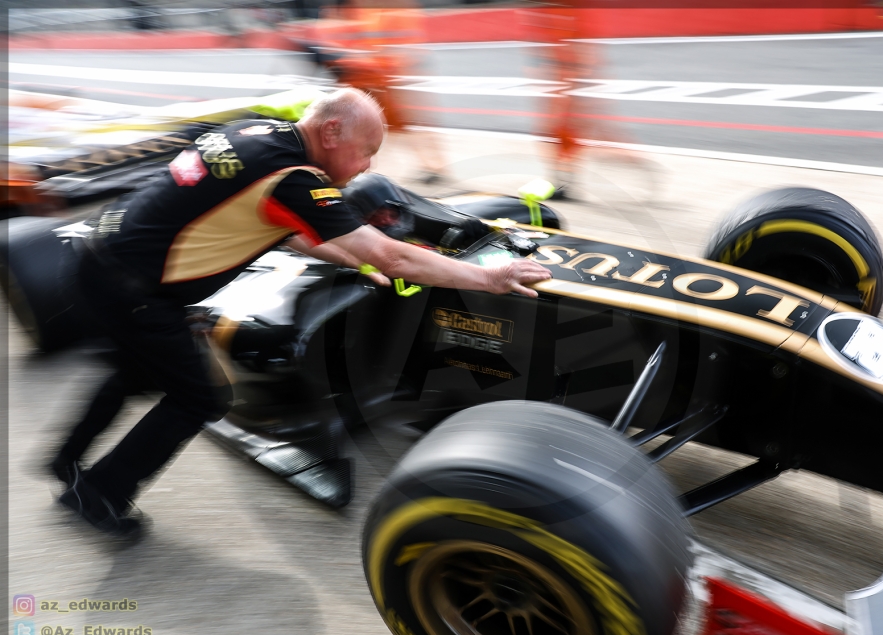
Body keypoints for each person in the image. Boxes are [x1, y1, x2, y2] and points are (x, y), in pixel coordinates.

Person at [51, 88, 551, 536]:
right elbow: (393, 254)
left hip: (102, 256)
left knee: (134, 371)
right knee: (200, 398)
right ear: (331, 132)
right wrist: (490, 277)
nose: (367, 167)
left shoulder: (256, 130)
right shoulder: (295, 177)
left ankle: (65, 459)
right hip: (134, 287)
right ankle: (98, 495)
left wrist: (358, 261)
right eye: (366, 151)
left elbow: (288, 230)